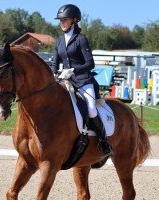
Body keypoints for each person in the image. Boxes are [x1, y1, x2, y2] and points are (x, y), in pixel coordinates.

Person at [51, 4, 113, 157]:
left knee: (91, 109)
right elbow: (55, 62)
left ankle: (103, 141)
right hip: (65, 81)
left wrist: (73, 70)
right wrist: (53, 74)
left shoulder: (81, 39)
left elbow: (90, 63)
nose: (62, 23)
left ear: (74, 20)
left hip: (83, 80)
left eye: (65, 20)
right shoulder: (59, 41)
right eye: (60, 21)